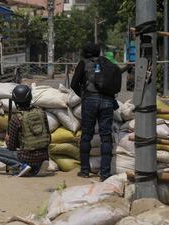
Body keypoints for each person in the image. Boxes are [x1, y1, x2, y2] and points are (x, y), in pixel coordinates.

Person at [71, 43, 119, 182]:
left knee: (86, 135)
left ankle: (85, 170)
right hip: (108, 101)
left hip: (90, 100)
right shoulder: (107, 63)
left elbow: (74, 84)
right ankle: (104, 173)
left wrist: (84, 95)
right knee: (106, 136)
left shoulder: (83, 63)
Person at [0, 85, 50, 177]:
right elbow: (48, 137)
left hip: (27, 157)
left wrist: (8, 139)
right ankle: (36, 167)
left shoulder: (16, 118)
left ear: (15, 101)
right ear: (30, 98)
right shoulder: (41, 113)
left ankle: (20, 166)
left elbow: (12, 147)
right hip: (44, 155)